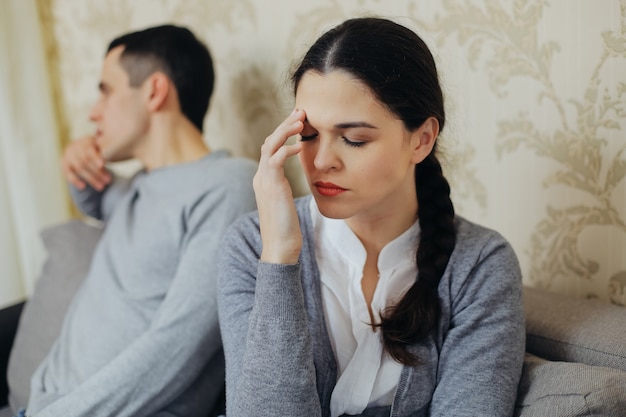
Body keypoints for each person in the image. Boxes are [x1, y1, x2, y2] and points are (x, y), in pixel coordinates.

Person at [218, 17, 525, 417]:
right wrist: (279, 257)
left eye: (355, 139)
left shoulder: (479, 265)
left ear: (422, 139)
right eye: (308, 135)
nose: (321, 161)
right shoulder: (252, 244)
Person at [20, 25, 257, 417]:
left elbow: (181, 342)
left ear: (154, 91)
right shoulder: (135, 189)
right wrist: (77, 158)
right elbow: (91, 195)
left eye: (106, 90)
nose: (94, 111)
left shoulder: (227, 185)